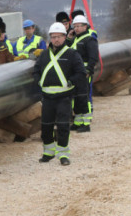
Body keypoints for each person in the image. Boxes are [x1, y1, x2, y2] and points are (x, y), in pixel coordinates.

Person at [33, 23, 87, 166]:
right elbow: (36, 70)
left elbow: (81, 72)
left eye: (58, 37)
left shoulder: (72, 54)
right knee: (46, 126)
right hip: (47, 97)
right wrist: (39, 81)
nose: (56, 40)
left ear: (64, 37)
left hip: (64, 97)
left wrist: (71, 82)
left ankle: (63, 155)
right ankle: (48, 153)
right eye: (53, 37)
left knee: (63, 126)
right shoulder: (44, 55)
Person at [70, 15, 99, 132]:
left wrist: (88, 70)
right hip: (75, 73)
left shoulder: (89, 39)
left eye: (79, 26)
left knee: (84, 97)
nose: (76, 28)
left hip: (84, 73)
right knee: (76, 98)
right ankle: (77, 121)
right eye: (75, 26)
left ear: (85, 26)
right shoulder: (75, 39)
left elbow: (93, 57)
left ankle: (86, 123)